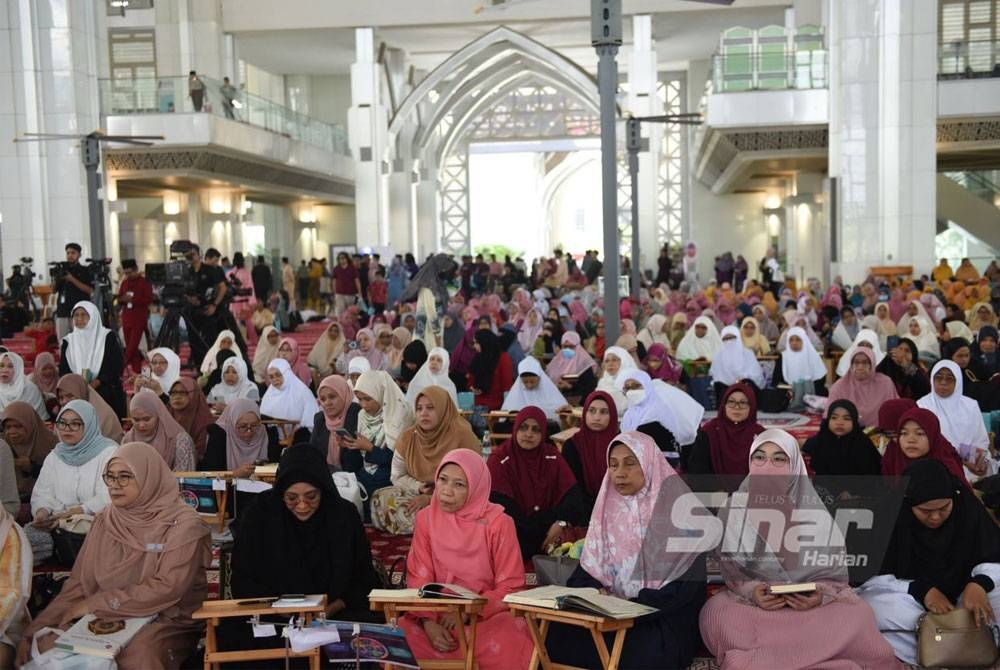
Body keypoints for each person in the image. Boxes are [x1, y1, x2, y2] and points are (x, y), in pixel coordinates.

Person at [699, 429, 901, 669]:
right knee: (716, 614)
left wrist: (819, 596)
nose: (767, 466)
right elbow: (732, 571)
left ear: (794, 466)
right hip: (756, 611)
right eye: (759, 457)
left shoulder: (813, 510)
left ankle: (770, 659)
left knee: (859, 615)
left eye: (779, 459)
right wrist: (753, 592)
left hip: (811, 612)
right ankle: (822, 658)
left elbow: (836, 578)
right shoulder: (734, 508)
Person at [17, 442, 211, 669]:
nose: (115, 485)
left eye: (125, 476)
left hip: (166, 616)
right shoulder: (106, 520)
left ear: (149, 477)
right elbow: (79, 583)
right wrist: (33, 631)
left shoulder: (183, 525)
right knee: (47, 645)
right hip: (105, 614)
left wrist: (97, 604)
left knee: (137, 656)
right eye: (110, 477)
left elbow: (168, 587)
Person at [546, 431, 711, 669]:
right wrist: (595, 595)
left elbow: (686, 590)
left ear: (650, 463)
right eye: (613, 465)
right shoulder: (607, 508)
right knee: (556, 635)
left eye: (630, 464)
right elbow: (587, 571)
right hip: (608, 614)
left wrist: (632, 605)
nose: (619, 473)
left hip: (659, 615)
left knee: (645, 650)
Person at [224, 445, 377, 659]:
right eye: (292, 498)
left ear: (323, 489)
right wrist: (283, 610)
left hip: (335, 615)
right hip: (274, 616)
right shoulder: (260, 515)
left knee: (366, 642)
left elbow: (364, 578)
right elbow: (243, 581)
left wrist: (332, 607)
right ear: (281, 494)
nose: (303, 506)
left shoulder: (342, 515)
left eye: (311, 496)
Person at [398, 449, 534, 669]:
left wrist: (471, 610)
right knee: (398, 635)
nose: (447, 491)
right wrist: (428, 622)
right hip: (437, 614)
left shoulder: (499, 523)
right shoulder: (426, 519)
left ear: (476, 488)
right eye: (443, 480)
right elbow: (418, 578)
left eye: (459, 484)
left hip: (484, 615)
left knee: (513, 632)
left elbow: (511, 585)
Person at [859, 459, 1000, 665]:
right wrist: (920, 590)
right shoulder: (891, 515)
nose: (935, 517)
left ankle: (970, 645)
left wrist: (979, 583)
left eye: (943, 508)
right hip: (915, 606)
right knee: (870, 606)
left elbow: (993, 553)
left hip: (966, 599)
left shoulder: (966, 509)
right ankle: (940, 649)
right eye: (925, 511)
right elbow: (870, 578)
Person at [370, 386, 481, 535]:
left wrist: (430, 499)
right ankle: (436, 528)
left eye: (430, 408)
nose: (423, 413)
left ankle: (436, 527)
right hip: (417, 492)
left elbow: (474, 482)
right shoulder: (408, 437)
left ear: (443, 409)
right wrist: (419, 488)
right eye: (419, 408)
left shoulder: (462, 436)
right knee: (380, 498)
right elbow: (397, 476)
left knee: (456, 511)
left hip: (453, 497)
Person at [487, 406, 586, 559]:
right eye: (523, 427)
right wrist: (538, 534)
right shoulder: (500, 458)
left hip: (552, 532)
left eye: (536, 430)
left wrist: (561, 523)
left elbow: (573, 498)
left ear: (543, 433)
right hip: (513, 535)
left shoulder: (551, 456)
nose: (528, 434)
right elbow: (501, 508)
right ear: (515, 428)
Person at [27, 401, 117, 560]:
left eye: (75, 424)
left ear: (89, 425)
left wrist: (79, 511)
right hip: (57, 523)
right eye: (62, 423)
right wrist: (42, 512)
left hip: (95, 521)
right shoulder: (55, 456)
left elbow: (108, 495)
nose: (67, 429)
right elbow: (42, 494)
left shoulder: (109, 453)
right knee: (25, 542)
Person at [341, 370, 415, 511]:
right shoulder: (362, 415)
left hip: (390, 478)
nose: (363, 405)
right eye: (359, 399)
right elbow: (358, 460)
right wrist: (351, 446)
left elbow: (400, 461)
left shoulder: (399, 415)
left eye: (368, 399)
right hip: (366, 475)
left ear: (381, 394)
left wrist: (370, 448)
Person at [917, 360, 994, 482]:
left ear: (958, 381)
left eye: (949, 379)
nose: (943, 382)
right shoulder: (922, 405)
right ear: (932, 380)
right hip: (936, 466)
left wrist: (974, 460)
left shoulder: (971, 405)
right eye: (938, 378)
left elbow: (980, 440)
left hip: (969, 465)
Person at [686, 383, 764, 488]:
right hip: (715, 497)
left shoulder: (760, 435)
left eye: (743, 403)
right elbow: (697, 469)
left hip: (751, 495)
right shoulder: (710, 431)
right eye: (731, 402)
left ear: (752, 406)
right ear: (724, 405)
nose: (737, 407)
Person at [59, 301, 127, 418]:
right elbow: (64, 370)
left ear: (93, 316)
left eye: (84, 315)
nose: (79, 318)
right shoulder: (68, 341)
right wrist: (78, 387)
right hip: (77, 393)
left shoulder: (107, 337)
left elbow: (116, 366)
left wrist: (95, 383)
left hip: (105, 390)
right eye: (76, 315)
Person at [617, 369, 703, 459]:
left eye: (636, 386)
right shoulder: (628, 416)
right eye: (627, 388)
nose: (631, 391)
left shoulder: (658, 414)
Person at [560, 390, 619, 509]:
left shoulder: (621, 445)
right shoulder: (572, 446)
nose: (597, 417)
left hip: (618, 509)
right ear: (584, 413)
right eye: (591, 411)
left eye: (604, 412)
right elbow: (572, 488)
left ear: (612, 416)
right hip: (583, 511)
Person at [881, 407, 969, 485]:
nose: (911, 440)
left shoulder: (948, 469)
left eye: (920, 433)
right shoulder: (895, 460)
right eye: (904, 433)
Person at [202, 398, 281, 476]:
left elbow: (276, 465)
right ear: (232, 424)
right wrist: (235, 474)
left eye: (254, 425)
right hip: (228, 486)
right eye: (243, 426)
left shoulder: (266, 433)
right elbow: (210, 473)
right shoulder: (219, 434)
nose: (249, 431)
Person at [803, 399, 882, 476]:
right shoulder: (823, 438)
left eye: (846, 418)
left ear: (854, 422)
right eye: (834, 417)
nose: (840, 423)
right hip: (823, 487)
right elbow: (805, 444)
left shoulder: (862, 443)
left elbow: (872, 474)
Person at [123, 392, 196, 472]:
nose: (141, 425)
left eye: (147, 419)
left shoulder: (180, 441)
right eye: (136, 420)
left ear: (158, 415)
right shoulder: (127, 440)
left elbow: (184, 477)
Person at [827, 348, 898, 427]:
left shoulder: (885, 383)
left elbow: (894, 410)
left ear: (872, 364)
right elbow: (830, 416)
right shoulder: (840, 386)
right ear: (851, 365)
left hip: (880, 433)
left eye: (865, 363)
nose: (860, 367)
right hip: (847, 432)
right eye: (856, 362)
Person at [185, 244, 227, 370]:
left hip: (208, 310)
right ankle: (199, 367)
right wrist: (189, 299)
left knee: (210, 339)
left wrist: (215, 304)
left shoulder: (210, 270)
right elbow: (183, 290)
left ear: (199, 255)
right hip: (191, 311)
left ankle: (213, 366)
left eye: (193, 254)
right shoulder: (187, 272)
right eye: (188, 255)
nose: (191, 257)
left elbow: (223, 288)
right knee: (194, 341)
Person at [309, 375, 360, 469]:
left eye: (332, 397)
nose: (327, 403)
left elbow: (359, 459)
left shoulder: (357, 414)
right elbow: (313, 453)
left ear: (343, 394)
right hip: (325, 474)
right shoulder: (320, 419)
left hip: (354, 475)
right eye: (323, 399)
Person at [56, 373, 124, 443]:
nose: (64, 401)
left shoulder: (102, 415)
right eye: (61, 398)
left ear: (82, 393)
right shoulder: (64, 413)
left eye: (70, 396)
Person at [502, 356, 570, 421]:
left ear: (540, 378)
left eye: (532, 382)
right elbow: (505, 414)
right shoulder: (514, 395)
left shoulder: (551, 392)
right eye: (525, 382)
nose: (529, 385)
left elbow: (561, 411)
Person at [260, 359, 320, 432]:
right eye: (271, 377)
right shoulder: (269, 394)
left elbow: (311, 422)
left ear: (286, 373)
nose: (275, 379)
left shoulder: (303, 393)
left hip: (299, 436)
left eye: (278, 375)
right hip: (274, 437)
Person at [117, 259, 154, 374]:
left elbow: (149, 299)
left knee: (131, 348)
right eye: (126, 273)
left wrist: (133, 299)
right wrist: (122, 299)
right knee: (133, 350)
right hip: (126, 318)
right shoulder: (125, 283)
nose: (128, 276)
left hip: (139, 318)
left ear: (136, 270)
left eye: (130, 273)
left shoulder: (145, 282)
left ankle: (119, 367)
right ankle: (137, 373)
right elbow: (119, 298)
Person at [52, 243, 94, 339]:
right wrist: (57, 278)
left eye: (73, 253)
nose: (70, 255)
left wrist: (72, 279)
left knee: (81, 341)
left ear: (79, 255)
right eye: (68, 253)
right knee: (63, 342)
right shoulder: (62, 270)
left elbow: (90, 290)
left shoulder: (85, 270)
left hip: (80, 312)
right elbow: (53, 290)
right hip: (63, 311)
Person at [167, 378, 215, 462]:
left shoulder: (208, 427)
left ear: (195, 395)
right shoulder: (164, 420)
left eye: (183, 393)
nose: (177, 397)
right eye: (173, 393)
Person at [709, 325, 765, 394]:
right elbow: (716, 376)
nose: (729, 341)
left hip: (745, 388)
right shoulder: (718, 356)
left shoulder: (747, 354)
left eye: (732, 338)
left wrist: (742, 379)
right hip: (724, 390)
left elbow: (756, 375)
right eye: (725, 339)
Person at [468, 329, 514, 411]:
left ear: (485, 342)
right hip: (477, 404)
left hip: (497, 406)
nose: (474, 346)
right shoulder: (478, 357)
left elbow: (507, 386)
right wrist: (472, 388)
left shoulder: (503, 358)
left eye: (477, 343)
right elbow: (471, 379)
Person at [545, 331, 598, 398]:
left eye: (571, 346)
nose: (568, 349)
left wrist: (570, 387)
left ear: (578, 346)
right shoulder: (557, 361)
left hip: (578, 401)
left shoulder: (584, 363)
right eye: (565, 346)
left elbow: (589, 387)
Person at [0, 351, 46, 420]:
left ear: (18, 369)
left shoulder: (30, 389)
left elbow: (39, 419)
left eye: (10, 366)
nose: (4, 370)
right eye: (1, 366)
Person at [596, 345, 638, 413]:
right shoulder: (602, 383)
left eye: (614, 360)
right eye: (607, 361)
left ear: (624, 360)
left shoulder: (632, 382)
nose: (610, 364)